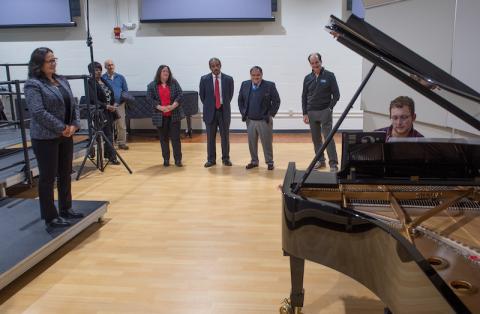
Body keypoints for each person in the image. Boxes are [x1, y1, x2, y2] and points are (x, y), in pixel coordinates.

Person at [24, 47, 84, 229]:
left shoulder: (62, 80)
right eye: (50, 60)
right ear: (38, 64)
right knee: (48, 177)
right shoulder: (33, 84)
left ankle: (66, 208)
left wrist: (74, 124)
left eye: (54, 59)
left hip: (67, 134)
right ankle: (50, 216)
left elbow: (74, 105)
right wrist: (62, 127)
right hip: (46, 138)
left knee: (65, 173)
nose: (54, 63)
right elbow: (38, 112)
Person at [302, 52, 340, 172]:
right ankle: (320, 161)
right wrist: (305, 113)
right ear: (310, 64)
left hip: (325, 111)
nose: (315, 65)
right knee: (316, 139)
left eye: (316, 62)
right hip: (311, 112)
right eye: (312, 63)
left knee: (328, 138)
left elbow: (337, 95)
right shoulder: (307, 78)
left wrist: (329, 108)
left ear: (321, 62)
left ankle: (333, 164)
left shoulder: (330, 76)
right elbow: (304, 96)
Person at [238, 66, 280, 170]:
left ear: (262, 75)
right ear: (250, 75)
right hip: (250, 120)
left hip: (264, 120)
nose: (256, 77)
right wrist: (244, 113)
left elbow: (276, 101)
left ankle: (269, 162)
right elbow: (240, 100)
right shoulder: (245, 84)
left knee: (267, 142)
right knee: (252, 143)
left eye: (258, 75)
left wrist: (270, 114)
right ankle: (254, 161)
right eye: (253, 75)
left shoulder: (269, 85)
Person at [146, 65, 185, 167]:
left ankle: (178, 160)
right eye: (164, 71)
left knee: (176, 138)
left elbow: (180, 94)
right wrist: (160, 107)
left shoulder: (174, 83)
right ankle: (166, 159)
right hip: (160, 116)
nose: (166, 72)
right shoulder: (152, 85)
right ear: (159, 73)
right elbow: (149, 98)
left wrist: (173, 106)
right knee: (164, 139)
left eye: (167, 71)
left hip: (174, 115)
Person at [199, 57, 234, 167]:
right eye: (213, 66)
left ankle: (226, 158)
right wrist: (211, 106)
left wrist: (221, 104)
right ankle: (211, 159)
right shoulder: (204, 79)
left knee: (225, 137)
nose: (215, 68)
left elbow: (230, 95)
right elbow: (202, 96)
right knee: (210, 138)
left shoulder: (228, 79)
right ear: (210, 67)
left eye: (217, 65)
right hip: (210, 112)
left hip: (223, 111)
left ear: (220, 65)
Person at [87, 62, 120, 165]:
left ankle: (108, 155)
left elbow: (110, 93)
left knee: (110, 134)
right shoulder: (89, 83)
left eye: (100, 69)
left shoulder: (103, 80)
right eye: (96, 70)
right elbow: (93, 99)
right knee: (107, 135)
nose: (99, 71)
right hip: (100, 112)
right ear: (91, 71)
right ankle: (112, 157)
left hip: (109, 111)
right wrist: (106, 106)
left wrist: (113, 103)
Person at [102, 59, 129, 150]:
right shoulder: (102, 78)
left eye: (112, 64)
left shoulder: (121, 77)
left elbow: (125, 91)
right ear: (105, 67)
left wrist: (118, 102)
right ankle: (110, 144)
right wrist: (109, 104)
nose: (110, 66)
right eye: (108, 65)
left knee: (121, 125)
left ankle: (122, 143)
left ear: (114, 66)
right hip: (108, 106)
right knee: (109, 125)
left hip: (120, 104)